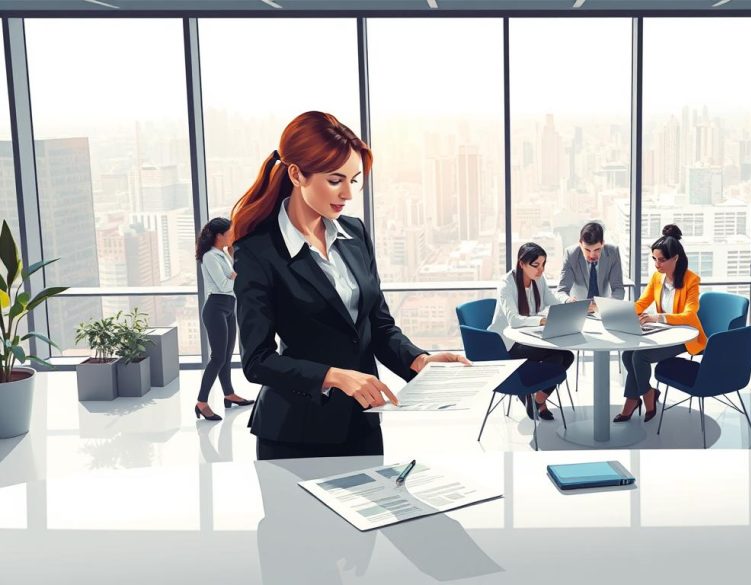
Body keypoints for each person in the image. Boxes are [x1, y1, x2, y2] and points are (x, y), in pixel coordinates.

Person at [230, 111, 469, 460]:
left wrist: (418, 361)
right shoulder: (259, 251)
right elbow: (257, 361)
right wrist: (334, 377)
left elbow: (378, 325)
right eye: (335, 180)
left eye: (354, 180)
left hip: (362, 423)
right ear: (297, 174)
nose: (348, 193)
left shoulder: (354, 233)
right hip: (295, 433)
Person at [616, 224, 707, 424]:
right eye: (654, 259)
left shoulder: (691, 280)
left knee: (639, 357)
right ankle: (643, 394)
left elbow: (690, 313)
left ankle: (644, 398)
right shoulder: (658, 277)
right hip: (662, 333)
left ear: (675, 258)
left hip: (685, 335)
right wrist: (617, 312)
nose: (657, 265)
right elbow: (642, 303)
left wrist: (659, 318)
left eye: (662, 260)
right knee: (628, 354)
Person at [488, 242, 575, 420]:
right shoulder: (506, 285)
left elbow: (550, 298)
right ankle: (535, 400)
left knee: (567, 356)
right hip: (506, 344)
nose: (540, 270)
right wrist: (542, 320)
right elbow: (514, 320)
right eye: (535, 265)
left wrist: (568, 303)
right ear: (521, 264)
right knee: (558, 357)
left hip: (527, 338)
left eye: (543, 264)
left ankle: (536, 399)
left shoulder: (538, 279)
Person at [194, 217, 253, 421]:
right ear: (219, 235)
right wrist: (236, 277)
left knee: (227, 356)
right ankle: (201, 402)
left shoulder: (222, 254)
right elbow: (223, 285)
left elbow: (232, 280)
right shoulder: (210, 256)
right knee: (217, 357)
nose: (232, 235)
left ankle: (228, 394)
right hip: (215, 308)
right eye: (229, 232)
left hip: (229, 307)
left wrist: (234, 269)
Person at [557, 221, 625, 301]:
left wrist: (607, 303)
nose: (592, 255)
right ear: (580, 244)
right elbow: (561, 291)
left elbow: (618, 289)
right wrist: (569, 301)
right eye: (587, 250)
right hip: (578, 307)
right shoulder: (571, 254)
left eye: (597, 249)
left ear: (602, 243)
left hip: (604, 307)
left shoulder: (613, 252)